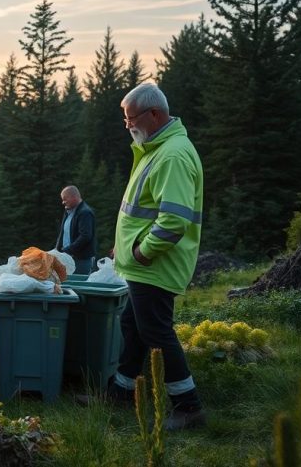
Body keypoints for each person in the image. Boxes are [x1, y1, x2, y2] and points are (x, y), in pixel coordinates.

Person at [81, 82, 206, 430]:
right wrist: (125, 247)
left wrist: (142, 251)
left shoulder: (173, 154)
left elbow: (173, 220)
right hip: (141, 263)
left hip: (155, 264)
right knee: (133, 326)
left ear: (154, 114)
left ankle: (188, 405)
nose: (127, 125)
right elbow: (145, 211)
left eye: (131, 118)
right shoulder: (155, 149)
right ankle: (122, 393)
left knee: (156, 331)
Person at [54, 185, 96, 275]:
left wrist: (67, 251)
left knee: (78, 286)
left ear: (74, 197)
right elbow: (62, 233)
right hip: (67, 258)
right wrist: (56, 251)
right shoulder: (68, 212)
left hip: (81, 260)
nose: (63, 202)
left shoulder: (85, 213)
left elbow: (85, 236)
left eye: (65, 199)